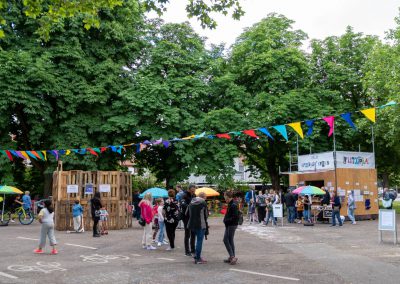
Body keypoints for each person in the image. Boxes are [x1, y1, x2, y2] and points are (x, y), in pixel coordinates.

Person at [187, 192, 208, 264]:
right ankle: (198, 258)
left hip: (191, 224)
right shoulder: (203, 203)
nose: (206, 198)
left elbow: (187, 213)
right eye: (206, 197)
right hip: (200, 224)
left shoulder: (191, 202)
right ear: (203, 197)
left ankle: (196, 256)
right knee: (199, 241)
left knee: (194, 240)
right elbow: (206, 215)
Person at [223, 191, 239, 265]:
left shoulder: (233, 204)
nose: (224, 197)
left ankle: (232, 257)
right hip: (229, 224)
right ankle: (232, 256)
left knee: (227, 240)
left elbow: (235, 217)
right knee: (228, 240)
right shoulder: (231, 203)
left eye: (225, 196)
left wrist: (226, 220)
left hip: (231, 225)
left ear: (228, 196)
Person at [181, 185, 196, 256]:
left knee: (193, 233)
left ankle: (193, 249)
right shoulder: (184, 195)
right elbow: (183, 204)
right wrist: (191, 207)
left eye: (194, 191)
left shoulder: (194, 195)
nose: (193, 192)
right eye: (192, 191)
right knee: (187, 234)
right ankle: (187, 251)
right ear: (189, 189)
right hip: (186, 217)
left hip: (193, 216)